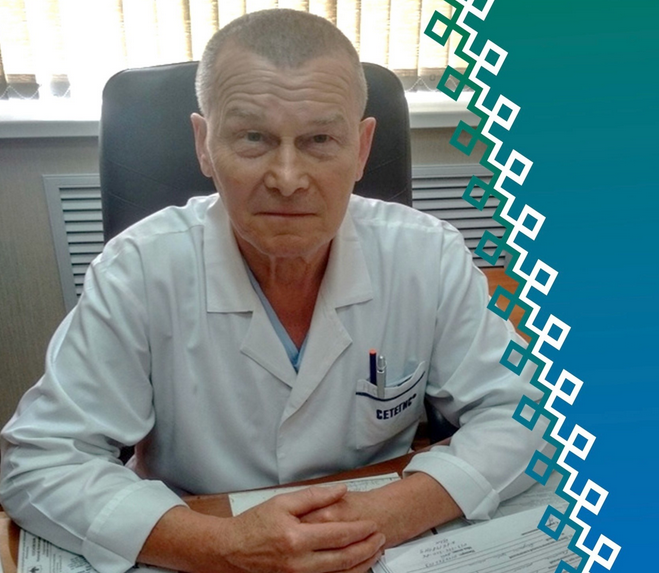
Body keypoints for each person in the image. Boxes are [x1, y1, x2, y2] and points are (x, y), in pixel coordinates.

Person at [0, 8, 545, 573]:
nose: (287, 177)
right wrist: (222, 547)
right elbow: (40, 463)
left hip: (379, 544)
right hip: (201, 533)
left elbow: (527, 414)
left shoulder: (427, 255)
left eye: (320, 139)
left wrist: (387, 514)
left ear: (361, 149)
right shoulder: (138, 269)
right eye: (253, 138)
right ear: (204, 144)